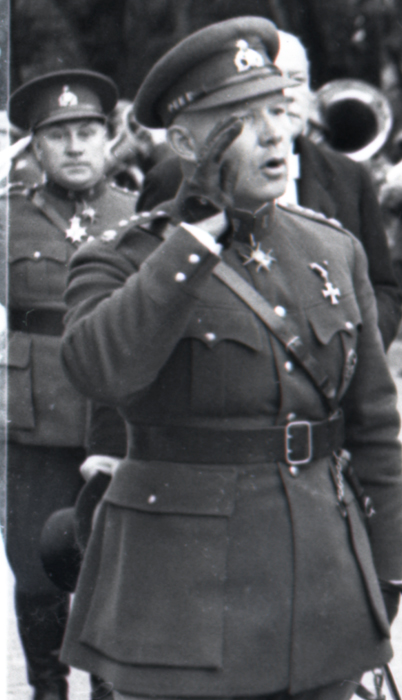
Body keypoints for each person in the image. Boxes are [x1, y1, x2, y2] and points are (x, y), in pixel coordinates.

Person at [59, 17, 402, 700]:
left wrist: (388, 567)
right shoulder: (124, 258)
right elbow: (99, 370)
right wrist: (193, 242)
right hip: (182, 605)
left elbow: (374, 425)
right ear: (187, 143)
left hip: (320, 591)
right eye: (243, 120)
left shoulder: (332, 249)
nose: (275, 133)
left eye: (278, 109)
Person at [136, 29, 401, 351]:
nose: (287, 96)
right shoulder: (169, 179)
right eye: (252, 100)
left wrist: (355, 352)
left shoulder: (350, 176)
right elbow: (145, 302)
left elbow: (382, 289)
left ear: (312, 90)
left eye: (295, 80)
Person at [6, 69, 136, 700]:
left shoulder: (137, 216)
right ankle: (47, 686)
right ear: (35, 148)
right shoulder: (7, 218)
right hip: (34, 418)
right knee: (35, 569)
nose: (76, 146)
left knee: (115, 564)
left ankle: (108, 687)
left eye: (87, 132)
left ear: (109, 139)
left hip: (117, 415)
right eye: (59, 136)